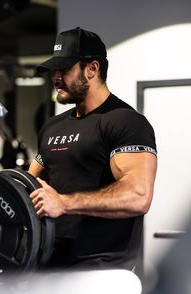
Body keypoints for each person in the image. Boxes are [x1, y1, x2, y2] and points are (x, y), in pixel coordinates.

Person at [28, 27, 157, 272]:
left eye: (64, 69)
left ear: (92, 69)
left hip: (102, 270)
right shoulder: (52, 127)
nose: (56, 76)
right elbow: (27, 183)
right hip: (48, 265)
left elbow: (138, 196)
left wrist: (64, 203)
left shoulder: (124, 121)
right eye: (54, 70)